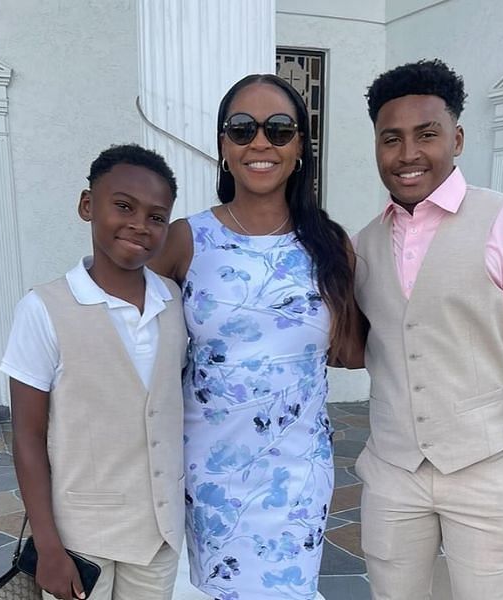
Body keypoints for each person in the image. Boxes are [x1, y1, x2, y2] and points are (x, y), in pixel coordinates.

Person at [352, 59, 503, 600]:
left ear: (458, 137)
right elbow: (365, 345)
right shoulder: (363, 243)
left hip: (486, 468)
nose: (408, 154)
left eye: (427, 134)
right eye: (391, 138)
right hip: (393, 469)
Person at [150, 74, 359, 600]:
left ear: (300, 149)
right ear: (223, 147)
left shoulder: (330, 245)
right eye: (241, 129)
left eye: (279, 129)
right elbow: (140, 341)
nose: (260, 142)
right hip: (211, 471)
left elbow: (352, 352)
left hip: (296, 473)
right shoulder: (186, 239)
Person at [0, 144, 184, 600]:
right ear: (88, 206)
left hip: (157, 533)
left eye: (157, 217)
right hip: (80, 539)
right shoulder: (43, 308)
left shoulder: (174, 302)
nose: (140, 224)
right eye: (123, 206)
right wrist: (47, 546)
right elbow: (27, 435)